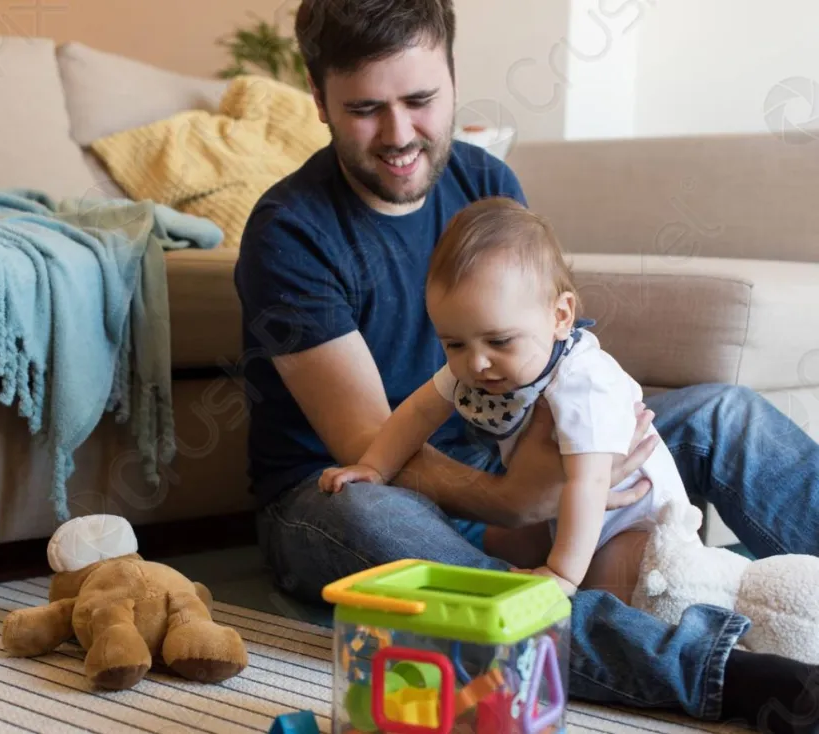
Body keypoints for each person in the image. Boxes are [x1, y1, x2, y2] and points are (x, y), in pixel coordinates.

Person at [233, 0, 819, 731]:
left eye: (420, 101)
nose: (399, 135)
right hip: (352, 491)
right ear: (318, 100)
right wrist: (519, 499)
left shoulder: (484, 182)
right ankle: (737, 676)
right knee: (368, 511)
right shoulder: (290, 231)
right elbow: (367, 443)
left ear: (452, 76)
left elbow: (556, 354)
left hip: (507, 449)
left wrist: (581, 460)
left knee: (721, 414)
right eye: (364, 109)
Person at [317, 196, 694, 599]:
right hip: (556, 509)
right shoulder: (479, 357)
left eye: (499, 340)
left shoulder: (584, 382)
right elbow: (419, 410)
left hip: (631, 520)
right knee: (500, 542)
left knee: (609, 582)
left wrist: (561, 573)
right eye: (453, 344)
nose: (477, 363)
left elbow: (590, 483)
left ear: (560, 317)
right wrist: (375, 467)